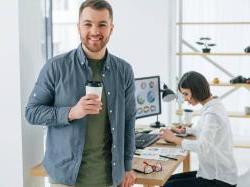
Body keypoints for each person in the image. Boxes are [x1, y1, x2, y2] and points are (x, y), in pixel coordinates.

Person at [25, 0, 136, 186]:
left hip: (110, 178)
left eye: (102, 24)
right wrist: (71, 112)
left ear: (111, 28)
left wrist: (127, 165)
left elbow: (128, 120)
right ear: (78, 27)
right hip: (65, 178)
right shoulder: (55, 67)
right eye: (88, 24)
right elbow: (32, 112)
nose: (95, 31)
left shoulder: (124, 70)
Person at [160, 71, 237, 187]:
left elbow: (203, 146)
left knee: (168, 185)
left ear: (196, 90)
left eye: (186, 94)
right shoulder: (212, 106)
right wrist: (183, 131)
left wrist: (175, 139)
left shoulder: (212, 113)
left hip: (219, 180)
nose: (185, 99)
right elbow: (202, 130)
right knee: (166, 180)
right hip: (210, 173)